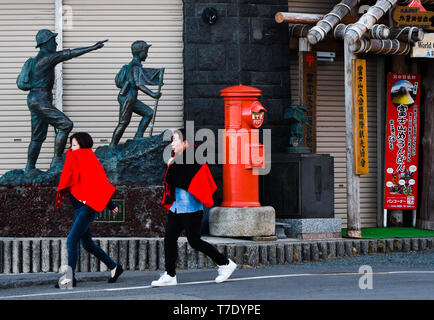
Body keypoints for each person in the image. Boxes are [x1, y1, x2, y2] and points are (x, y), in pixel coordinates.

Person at [151, 128, 236, 287]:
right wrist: (172, 164)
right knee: (169, 238)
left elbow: (173, 177)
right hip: (177, 208)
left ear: (186, 143)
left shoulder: (191, 159)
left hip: (191, 209)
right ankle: (170, 274)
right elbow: (173, 179)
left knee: (194, 241)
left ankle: (225, 264)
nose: (172, 143)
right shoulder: (179, 159)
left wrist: (171, 165)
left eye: (175, 140)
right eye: (172, 140)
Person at [20, 29, 107, 172]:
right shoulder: (47, 57)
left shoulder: (36, 60)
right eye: (53, 40)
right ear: (46, 43)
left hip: (36, 99)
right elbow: (69, 54)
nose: (55, 43)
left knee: (37, 137)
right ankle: (57, 160)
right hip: (40, 99)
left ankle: (29, 168)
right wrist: (93, 47)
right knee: (66, 124)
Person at [55, 132, 123, 288]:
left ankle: (70, 277)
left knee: (71, 240)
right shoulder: (75, 160)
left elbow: (100, 184)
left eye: (74, 146)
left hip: (87, 207)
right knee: (87, 244)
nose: (71, 149)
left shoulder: (89, 159)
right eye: (71, 145)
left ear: (83, 147)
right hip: (78, 206)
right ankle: (114, 267)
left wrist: (111, 205)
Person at [110, 40, 163, 146]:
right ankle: (112, 146)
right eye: (146, 51)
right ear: (141, 52)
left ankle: (138, 136)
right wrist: (153, 94)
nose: (147, 54)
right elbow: (139, 84)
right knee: (123, 123)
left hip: (131, 97)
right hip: (128, 98)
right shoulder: (135, 66)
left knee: (148, 113)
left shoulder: (135, 65)